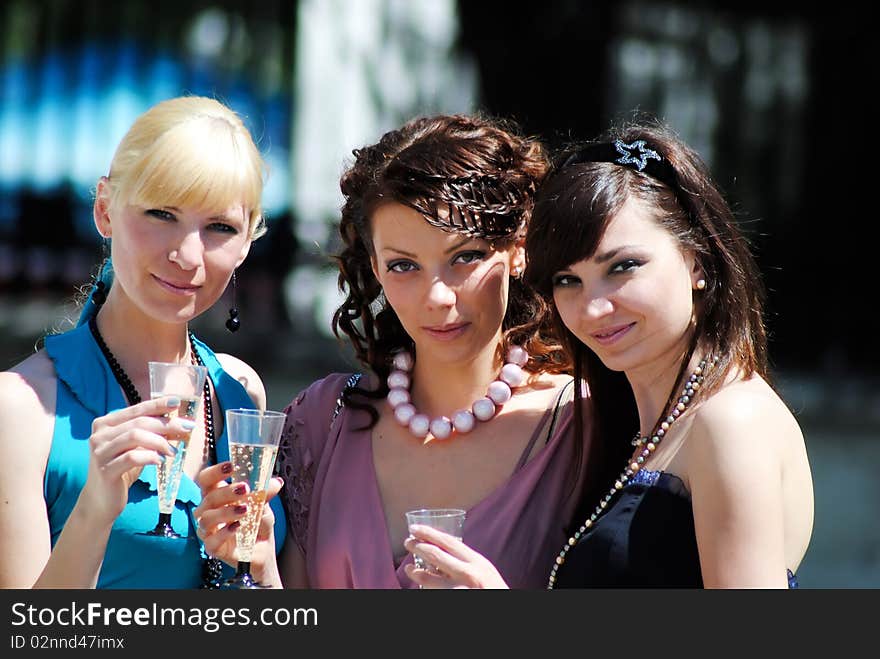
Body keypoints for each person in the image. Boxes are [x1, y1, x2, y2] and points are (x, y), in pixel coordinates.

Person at [404, 120, 814, 588]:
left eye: (622, 267)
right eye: (567, 280)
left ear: (696, 260)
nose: (594, 308)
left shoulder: (729, 419)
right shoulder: (639, 426)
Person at [195, 113, 593, 589]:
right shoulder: (322, 421)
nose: (437, 296)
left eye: (464, 257)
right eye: (405, 265)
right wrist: (258, 566)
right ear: (377, 270)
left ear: (518, 250)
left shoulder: (582, 426)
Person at [0, 96, 285, 589]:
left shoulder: (240, 391)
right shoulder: (21, 409)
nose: (187, 255)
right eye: (161, 213)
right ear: (105, 210)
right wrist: (93, 512)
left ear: (246, 243)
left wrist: (261, 567)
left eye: (220, 227)